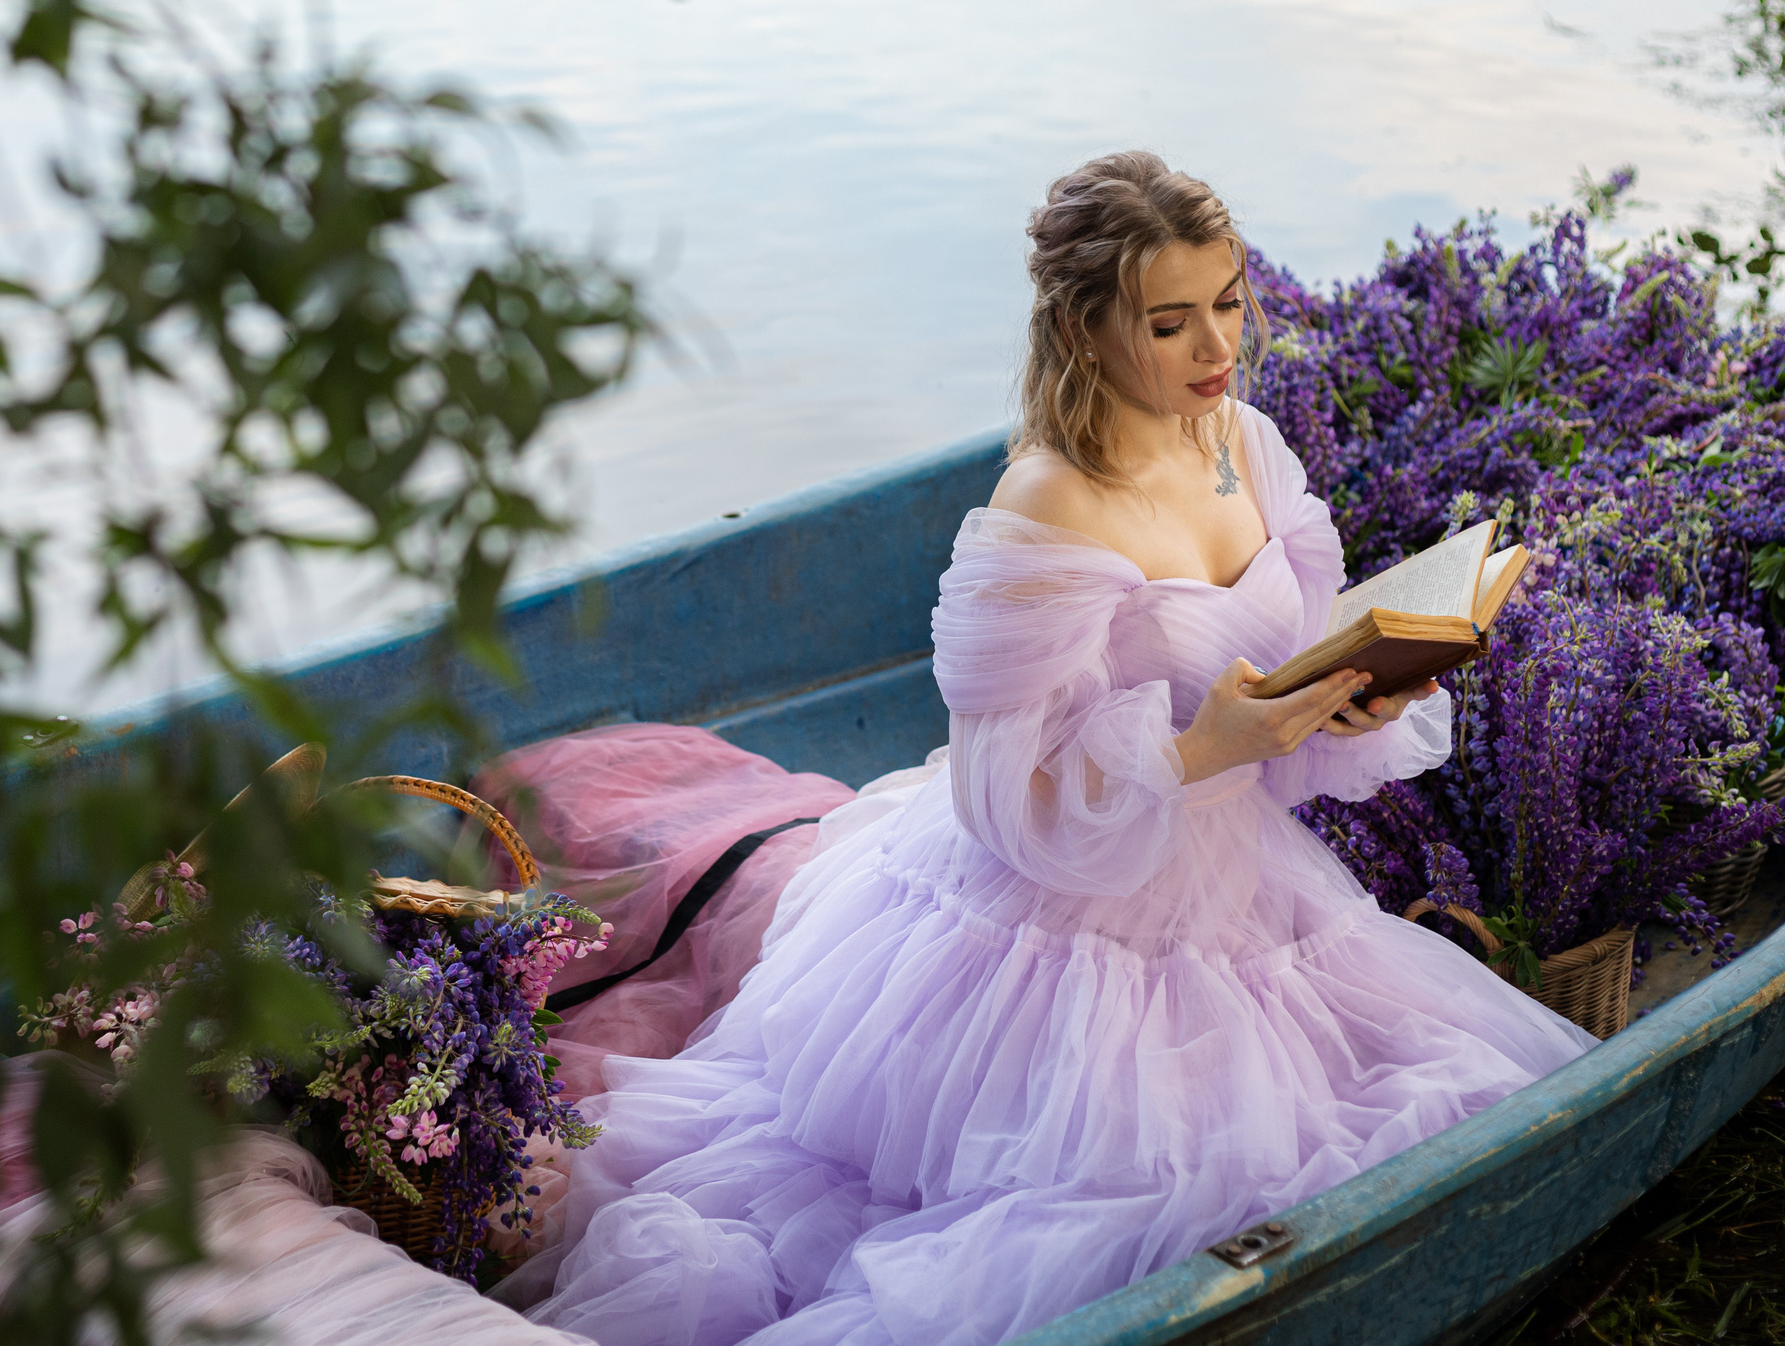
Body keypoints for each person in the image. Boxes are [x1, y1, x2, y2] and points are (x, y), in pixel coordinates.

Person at [493, 152, 1597, 1346]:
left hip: (1238, 879)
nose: (1214, 346)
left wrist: (1340, 704)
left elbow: (1291, 648)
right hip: (1062, 924)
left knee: (1424, 1099)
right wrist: (1191, 751)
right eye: (1169, 323)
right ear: (1085, 325)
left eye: (1227, 303)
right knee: (1130, 1202)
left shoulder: (1243, 443)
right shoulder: (1047, 506)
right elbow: (994, 792)